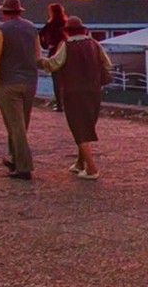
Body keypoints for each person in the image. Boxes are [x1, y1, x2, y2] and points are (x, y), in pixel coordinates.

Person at [42, 17, 111, 179]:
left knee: (78, 127)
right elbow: (107, 64)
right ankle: (80, 163)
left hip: (73, 92)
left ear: (67, 31)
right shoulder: (95, 44)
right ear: (83, 30)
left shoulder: (67, 46)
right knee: (87, 125)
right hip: (94, 91)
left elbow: (53, 64)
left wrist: (39, 61)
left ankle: (92, 168)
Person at [0, 0, 40, 179]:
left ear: (4, 12)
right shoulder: (32, 28)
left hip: (9, 82)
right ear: (19, 11)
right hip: (30, 81)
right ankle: (14, 158)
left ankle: (24, 166)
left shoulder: (1, 30)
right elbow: (37, 55)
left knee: (14, 125)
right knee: (21, 124)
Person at [39, 2, 69, 112]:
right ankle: (67, 103)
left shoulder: (50, 24)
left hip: (54, 51)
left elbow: (40, 34)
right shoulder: (66, 23)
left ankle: (59, 105)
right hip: (66, 51)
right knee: (66, 80)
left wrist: (45, 45)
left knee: (56, 79)